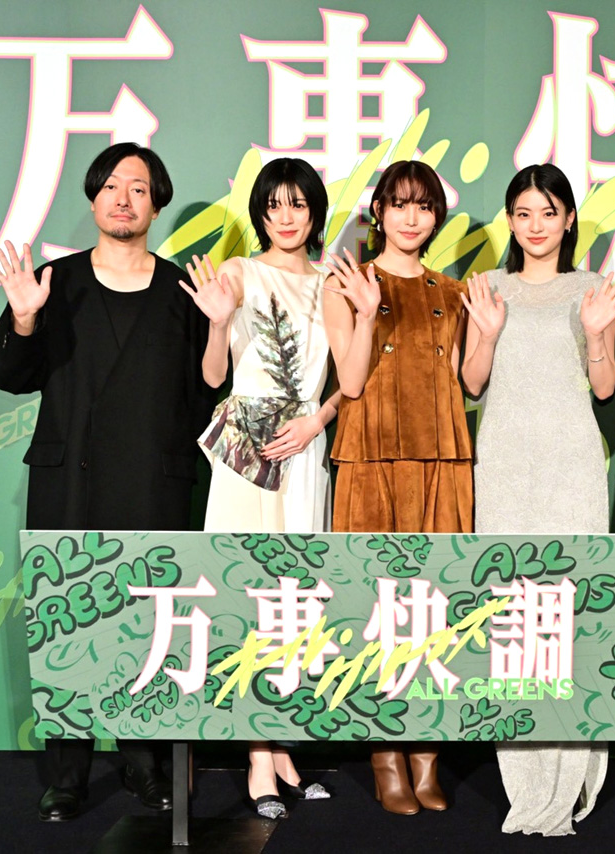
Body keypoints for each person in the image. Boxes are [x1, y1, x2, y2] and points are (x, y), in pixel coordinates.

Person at [0, 142, 220, 821]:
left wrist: (221, 325)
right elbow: (11, 376)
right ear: (93, 199)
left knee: (147, 623)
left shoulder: (182, 291)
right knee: (67, 622)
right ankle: (67, 775)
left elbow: (207, 393)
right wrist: (25, 318)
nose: (124, 198)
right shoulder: (53, 282)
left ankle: (145, 765)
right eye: (112, 186)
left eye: (138, 188)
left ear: (156, 204)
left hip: (153, 481)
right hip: (71, 482)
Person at [461, 164, 615, 835]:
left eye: (548, 212)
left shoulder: (592, 289)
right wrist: (487, 332)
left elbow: (605, 388)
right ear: (510, 220)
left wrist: (597, 333)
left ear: (568, 220)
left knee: (569, 617)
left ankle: (567, 776)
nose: (536, 226)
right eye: (524, 213)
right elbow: (472, 383)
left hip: (572, 469)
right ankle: (524, 784)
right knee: (512, 620)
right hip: (504, 467)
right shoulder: (487, 287)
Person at [321, 159, 488, 814]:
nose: (411, 217)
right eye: (400, 204)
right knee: (377, 607)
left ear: (437, 216)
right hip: (371, 459)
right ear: (379, 213)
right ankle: (384, 755)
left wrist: (488, 334)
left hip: (442, 461)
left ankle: (427, 756)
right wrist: (367, 316)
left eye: (424, 205)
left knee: (436, 608)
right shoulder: (348, 283)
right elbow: (350, 383)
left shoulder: (453, 291)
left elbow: (470, 382)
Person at [185, 157, 337, 820]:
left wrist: (316, 422)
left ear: (315, 212)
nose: (285, 216)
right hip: (248, 446)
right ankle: (258, 757)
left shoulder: (334, 281)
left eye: (297, 204)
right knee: (250, 592)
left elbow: (350, 379)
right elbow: (213, 375)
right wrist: (219, 323)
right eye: (273, 205)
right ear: (260, 214)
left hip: (304, 447)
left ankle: (279, 747)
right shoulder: (239, 273)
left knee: (294, 597)